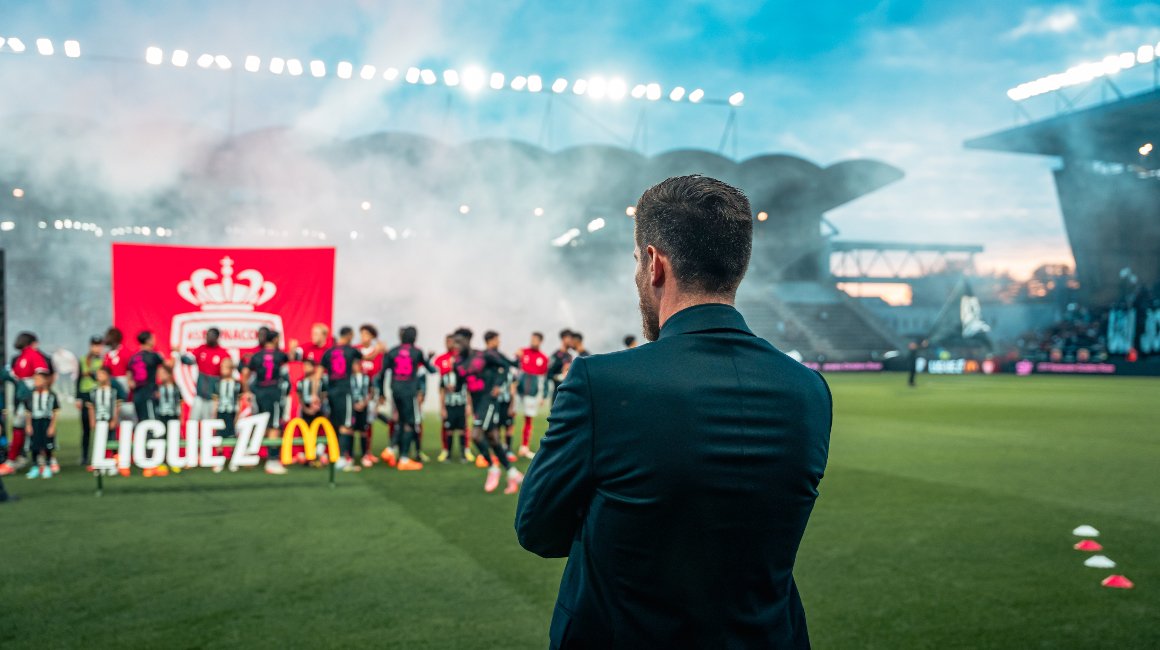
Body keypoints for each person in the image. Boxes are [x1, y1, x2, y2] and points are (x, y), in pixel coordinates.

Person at [516, 175, 833, 648]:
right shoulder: (808, 390)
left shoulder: (599, 384)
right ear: (738, 266)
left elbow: (539, 531)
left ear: (653, 262)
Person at [459, 330, 522, 493]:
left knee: (476, 435)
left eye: (460, 342)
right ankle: (512, 473)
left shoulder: (483, 355)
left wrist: (498, 385)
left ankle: (493, 468)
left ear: (468, 341)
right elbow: (462, 384)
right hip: (476, 404)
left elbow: (507, 367)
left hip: (488, 401)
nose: (457, 346)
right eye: (455, 344)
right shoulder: (459, 363)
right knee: (493, 438)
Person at [381, 326, 434, 471]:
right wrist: (429, 359)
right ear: (415, 337)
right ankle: (403, 458)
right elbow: (431, 370)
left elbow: (381, 373)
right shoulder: (416, 352)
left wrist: (381, 393)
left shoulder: (392, 351)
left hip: (396, 390)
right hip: (409, 391)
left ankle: (391, 450)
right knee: (410, 423)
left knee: (402, 421)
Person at [1, 331, 54, 476]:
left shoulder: (34, 356)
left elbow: (41, 376)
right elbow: (15, 375)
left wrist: (31, 390)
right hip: (24, 399)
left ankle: (45, 460)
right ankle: (16, 458)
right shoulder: (22, 357)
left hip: (32, 399)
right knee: (20, 427)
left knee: (37, 426)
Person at [246, 330, 291, 475]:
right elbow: (288, 370)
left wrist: (248, 391)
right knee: (274, 426)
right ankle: (272, 459)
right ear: (276, 339)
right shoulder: (280, 356)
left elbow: (246, 374)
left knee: (259, 424)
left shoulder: (256, 356)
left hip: (259, 394)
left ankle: (251, 455)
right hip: (274, 394)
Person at [319, 326, 362, 471]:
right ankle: (343, 458)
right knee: (347, 425)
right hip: (345, 391)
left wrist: (315, 393)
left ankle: (336, 455)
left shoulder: (329, 352)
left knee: (336, 424)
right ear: (349, 335)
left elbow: (319, 374)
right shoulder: (351, 351)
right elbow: (365, 360)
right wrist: (379, 350)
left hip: (332, 392)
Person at [435, 334, 472, 463]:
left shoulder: (463, 372)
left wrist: (468, 405)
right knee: (448, 430)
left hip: (461, 404)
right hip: (449, 405)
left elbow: (468, 389)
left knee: (463, 429)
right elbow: (441, 391)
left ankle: (464, 453)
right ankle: (447, 453)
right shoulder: (445, 375)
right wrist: (442, 407)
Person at [515, 332, 549, 459]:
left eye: (535, 340)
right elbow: (515, 369)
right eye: (532, 339)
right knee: (510, 417)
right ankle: (505, 445)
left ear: (540, 341)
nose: (533, 341)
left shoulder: (543, 358)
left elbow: (544, 379)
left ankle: (524, 447)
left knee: (528, 419)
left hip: (532, 393)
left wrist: (544, 395)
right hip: (519, 392)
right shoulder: (523, 352)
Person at [184, 328, 228, 421]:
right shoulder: (202, 348)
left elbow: (227, 373)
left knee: (208, 423)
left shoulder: (223, 353)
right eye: (207, 335)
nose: (207, 338)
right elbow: (189, 360)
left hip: (212, 397)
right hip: (199, 395)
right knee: (193, 421)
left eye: (210, 335)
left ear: (216, 337)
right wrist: (180, 356)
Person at [357, 324, 386, 467]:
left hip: (370, 393)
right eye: (362, 334)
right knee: (353, 424)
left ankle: (367, 452)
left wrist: (381, 394)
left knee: (368, 423)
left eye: (367, 334)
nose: (363, 337)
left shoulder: (379, 354)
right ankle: (349, 453)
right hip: (356, 393)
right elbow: (362, 360)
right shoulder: (357, 350)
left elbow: (379, 375)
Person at [25, 369, 60, 479]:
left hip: (46, 421)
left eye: (38, 379)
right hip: (35, 421)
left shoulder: (51, 395)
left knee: (47, 444)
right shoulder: (31, 394)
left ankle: (48, 466)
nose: (36, 381)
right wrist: (28, 424)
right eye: (35, 379)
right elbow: (28, 411)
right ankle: (35, 466)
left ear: (45, 380)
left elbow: (55, 411)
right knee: (34, 444)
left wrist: (52, 426)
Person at [75, 336, 105, 465]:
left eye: (99, 345)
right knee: (86, 428)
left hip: (99, 395)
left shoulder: (104, 361)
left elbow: (100, 378)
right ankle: (84, 456)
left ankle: (101, 455)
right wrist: (77, 397)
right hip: (86, 395)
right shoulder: (83, 360)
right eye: (95, 345)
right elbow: (79, 379)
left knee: (101, 426)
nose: (97, 348)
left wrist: (92, 374)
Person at [87, 366, 122, 474]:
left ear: (107, 376)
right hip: (99, 421)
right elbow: (91, 407)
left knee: (112, 442)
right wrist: (92, 420)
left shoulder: (113, 392)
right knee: (99, 442)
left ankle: (113, 463)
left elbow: (117, 406)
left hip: (109, 420)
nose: (99, 377)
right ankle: (99, 464)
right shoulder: (93, 392)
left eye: (101, 374)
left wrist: (114, 420)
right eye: (98, 374)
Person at [127, 330, 167, 422]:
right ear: (148, 341)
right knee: (152, 420)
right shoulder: (154, 356)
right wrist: (175, 353)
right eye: (153, 339)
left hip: (137, 395)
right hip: (150, 393)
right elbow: (168, 366)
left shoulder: (133, 358)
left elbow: (129, 380)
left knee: (141, 420)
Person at [547, 329, 574, 406]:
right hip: (557, 394)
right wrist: (560, 376)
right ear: (563, 338)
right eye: (570, 338)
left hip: (568, 394)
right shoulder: (555, 355)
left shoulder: (570, 356)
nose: (571, 341)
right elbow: (548, 374)